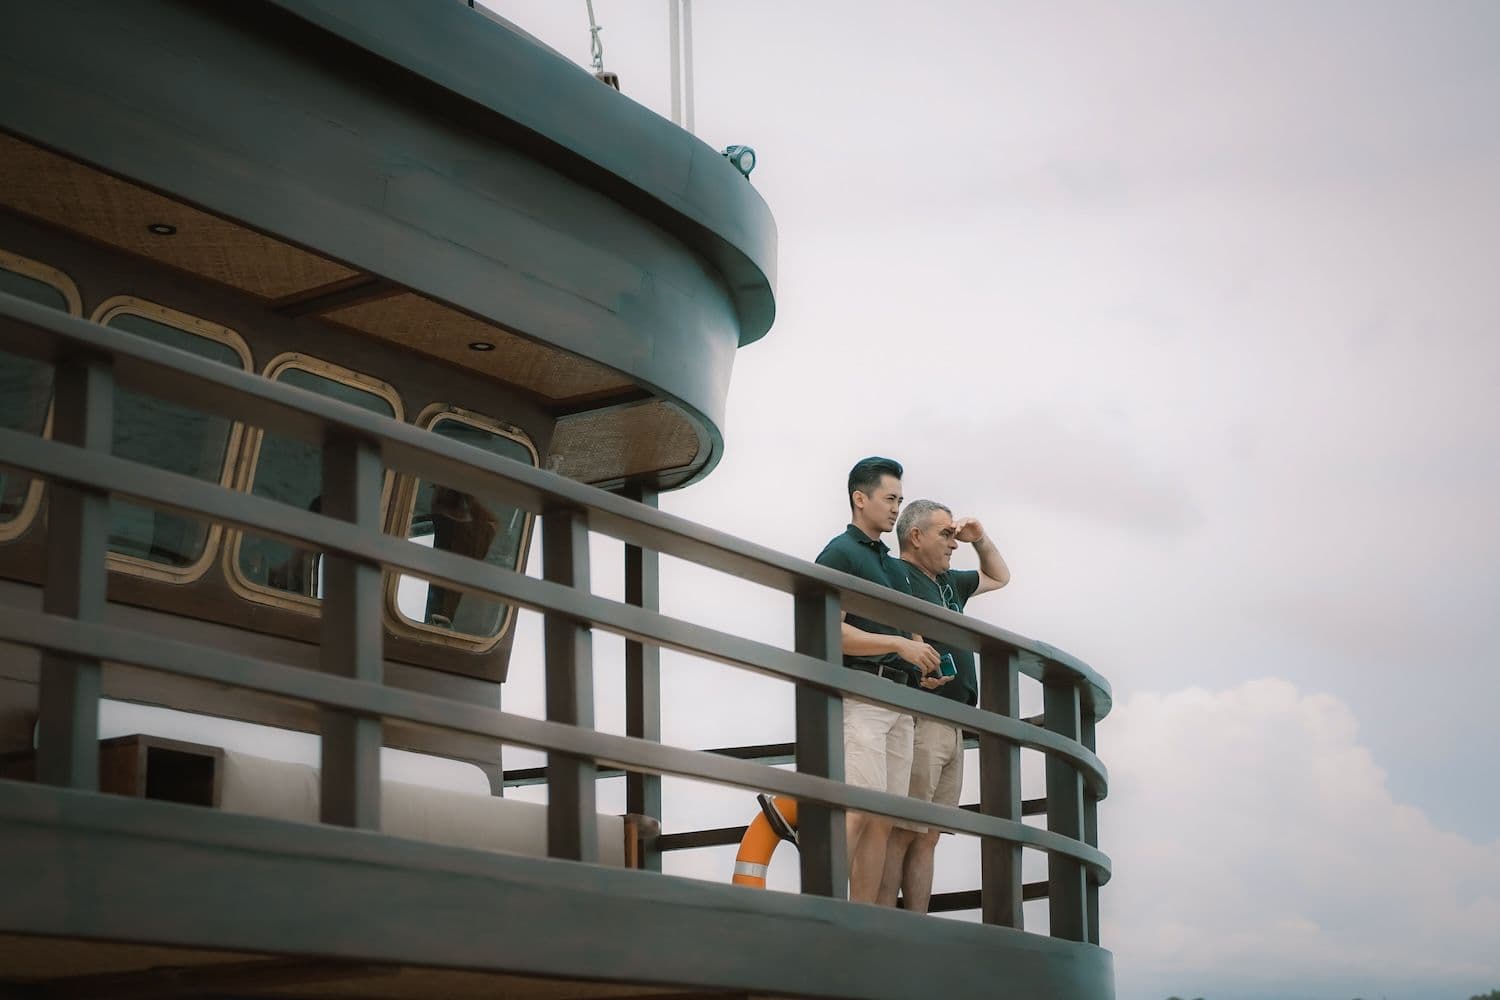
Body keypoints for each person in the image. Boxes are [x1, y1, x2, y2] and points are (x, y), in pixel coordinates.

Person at [814, 457, 942, 903]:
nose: (895, 509)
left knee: (882, 818)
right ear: (859, 498)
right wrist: (900, 647)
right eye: (890, 499)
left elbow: (903, 629)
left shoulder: (891, 565)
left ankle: (862, 917)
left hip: (899, 703)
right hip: (863, 697)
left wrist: (916, 660)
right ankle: (823, 910)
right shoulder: (839, 553)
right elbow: (829, 628)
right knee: (856, 810)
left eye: (900, 501)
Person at [876, 498, 1010, 912]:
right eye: (946, 535)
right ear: (915, 537)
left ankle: (916, 923)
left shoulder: (949, 582)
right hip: (921, 715)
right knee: (902, 828)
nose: (954, 544)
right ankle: (878, 921)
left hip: (954, 720)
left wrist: (980, 538)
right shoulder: (895, 573)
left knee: (929, 833)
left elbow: (998, 576)